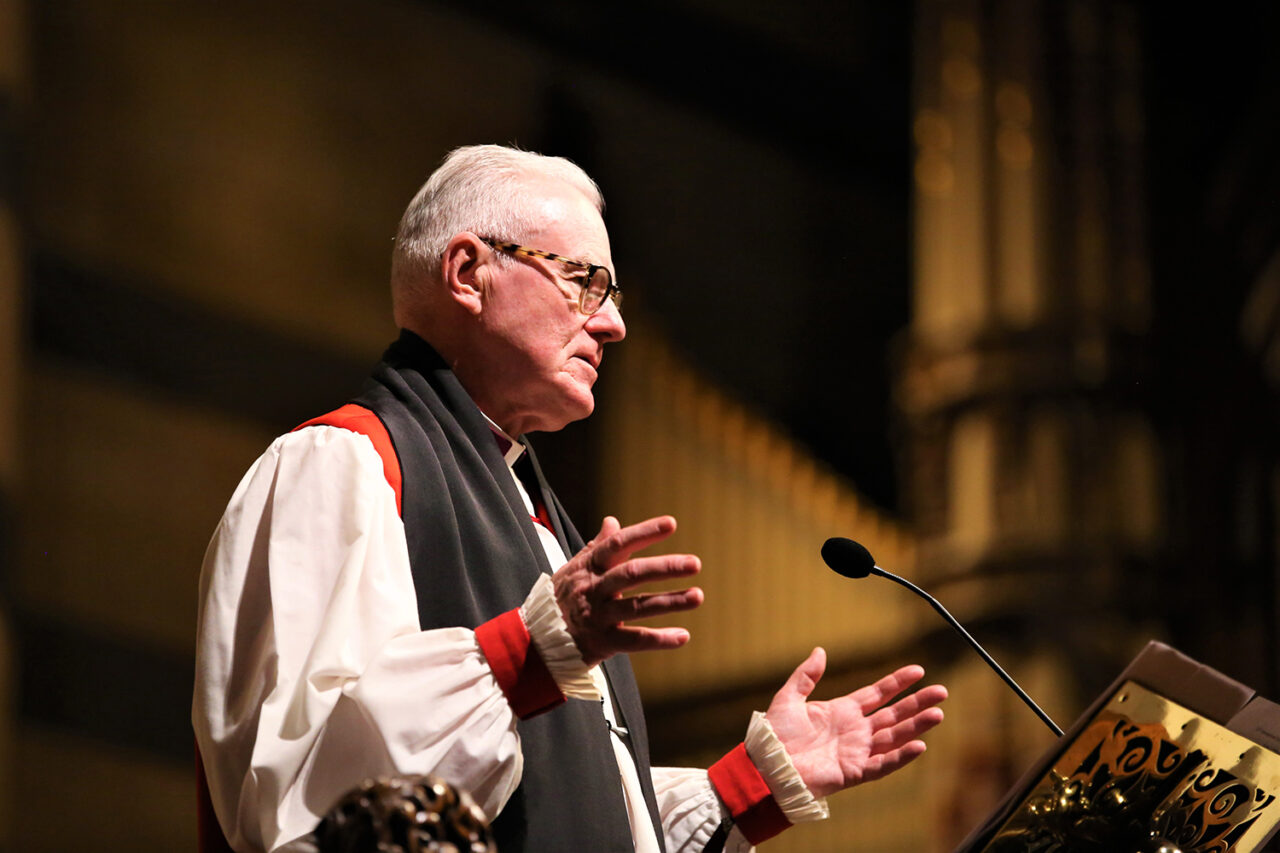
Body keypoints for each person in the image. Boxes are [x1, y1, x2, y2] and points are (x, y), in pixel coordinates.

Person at [192, 144, 947, 853]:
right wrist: (527, 651)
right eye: (584, 281)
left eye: (612, 294)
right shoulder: (342, 464)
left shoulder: (539, 518)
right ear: (467, 272)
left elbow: (552, 808)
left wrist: (745, 786)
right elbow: (301, 797)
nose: (613, 323)